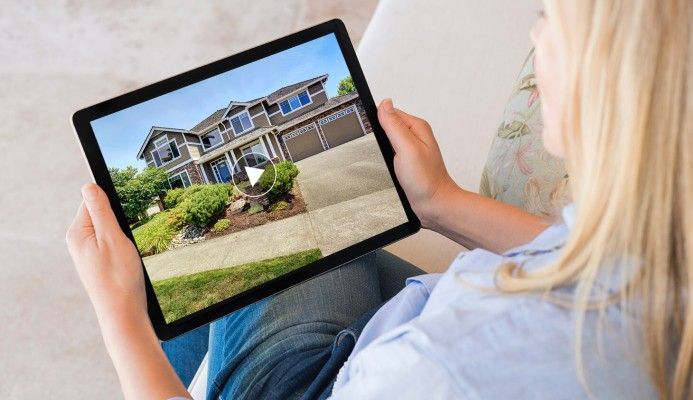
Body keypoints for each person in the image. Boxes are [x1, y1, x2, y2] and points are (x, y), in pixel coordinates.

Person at [66, 1, 691, 399]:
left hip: (348, 378)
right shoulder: (670, 238)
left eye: (550, 17)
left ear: (608, 80)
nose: (535, 33)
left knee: (254, 260)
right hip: (423, 326)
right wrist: (438, 202)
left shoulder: (439, 370)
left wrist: (118, 318)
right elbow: (590, 262)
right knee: (342, 227)